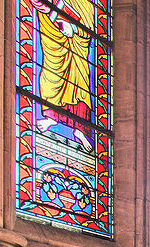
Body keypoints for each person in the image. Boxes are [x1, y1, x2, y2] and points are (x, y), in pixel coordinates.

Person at [34, 0, 96, 151]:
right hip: (54, 35)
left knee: (80, 84)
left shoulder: (86, 4)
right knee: (52, 73)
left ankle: (80, 130)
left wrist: (73, 27)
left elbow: (88, 28)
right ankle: (51, 118)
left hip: (77, 48)